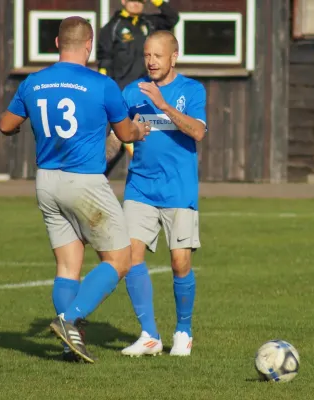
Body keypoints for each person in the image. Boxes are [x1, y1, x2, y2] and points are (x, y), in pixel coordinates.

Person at [0, 16, 151, 364]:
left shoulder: (33, 82)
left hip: (47, 181)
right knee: (120, 259)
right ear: (89, 45)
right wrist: (140, 131)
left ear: (56, 44)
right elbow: (125, 135)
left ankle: (70, 347)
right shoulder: (102, 85)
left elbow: (6, 125)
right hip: (84, 182)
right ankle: (68, 321)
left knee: (68, 266)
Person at [118, 31, 207, 357]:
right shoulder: (131, 92)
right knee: (130, 258)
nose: (151, 61)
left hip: (179, 189)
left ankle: (183, 330)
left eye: (158, 55)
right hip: (140, 187)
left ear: (174, 56)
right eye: (147, 55)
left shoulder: (192, 90)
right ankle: (149, 335)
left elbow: (197, 131)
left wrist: (162, 104)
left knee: (180, 262)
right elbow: (118, 135)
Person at [97, 0, 179, 176]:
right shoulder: (112, 27)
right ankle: (95, 178)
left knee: (151, 138)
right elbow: (104, 61)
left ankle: (159, 179)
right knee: (116, 142)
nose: (136, 3)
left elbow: (172, 18)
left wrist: (156, 1)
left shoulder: (149, 23)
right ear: (124, 1)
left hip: (145, 94)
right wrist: (107, 95)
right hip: (120, 95)